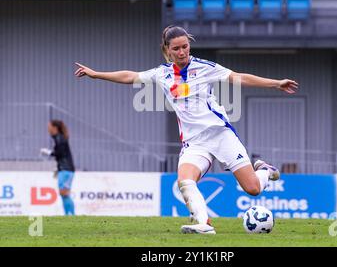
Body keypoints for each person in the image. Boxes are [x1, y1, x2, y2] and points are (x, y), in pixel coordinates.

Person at [74, 25, 298, 234]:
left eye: (185, 47)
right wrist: (96, 74)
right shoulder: (162, 73)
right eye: (176, 49)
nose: (182, 52)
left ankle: (265, 171)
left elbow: (238, 77)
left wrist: (276, 83)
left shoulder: (205, 68)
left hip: (220, 134)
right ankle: (203, 223)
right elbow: (130, 76)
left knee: (253, 189)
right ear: (167, 50)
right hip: (194, 143)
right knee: (185, 180)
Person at [40, 120, 76, 216]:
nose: (48, 128)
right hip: (64, 168)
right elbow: (61, 154)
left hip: (66, 168)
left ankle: (71, 215)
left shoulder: (59, 138)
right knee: (63, 193)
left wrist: (49, 152)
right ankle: (68, 214)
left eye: (49, 126)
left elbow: (60, 153)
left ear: (54, 128)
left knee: (64, 193)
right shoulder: (58, 138)